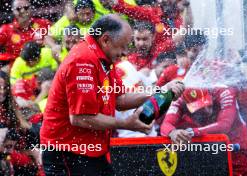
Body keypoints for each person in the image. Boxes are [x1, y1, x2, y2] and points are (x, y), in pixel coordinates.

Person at [40, 14, 185, 175]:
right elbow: (81, 118)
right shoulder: (83, 60)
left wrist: (161, 90)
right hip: (67, 152)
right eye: (122, 46)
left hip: (90, 150)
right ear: (106, 40)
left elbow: (120, 99)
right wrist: (126, 124)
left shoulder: (103, 58)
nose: (124, 53)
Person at [160, 88, 247, 175]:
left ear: (210, 93)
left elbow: (224, 125)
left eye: (207, 104)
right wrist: (173, 133)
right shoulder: (180, 100)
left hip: (238, 151)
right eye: (200, 108)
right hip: (209, 153)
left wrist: (193, 132)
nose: (206, 110)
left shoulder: (224, 92)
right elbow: (165, 125)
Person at [0, 0, 50, 68]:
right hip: (16, 69)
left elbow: (59, 36)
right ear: (13, 11)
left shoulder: (43, 24)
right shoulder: (6, 30)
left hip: (43, 66)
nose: (22, 11)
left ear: (31, 8)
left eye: (26, 7)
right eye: (18, 9)